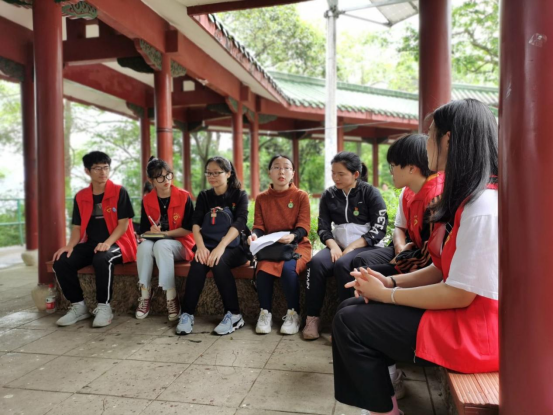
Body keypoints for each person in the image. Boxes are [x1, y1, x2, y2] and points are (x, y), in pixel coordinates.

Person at [332, 99, 499, 415]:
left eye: (431, 134)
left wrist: (388, 295)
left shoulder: (483, 208)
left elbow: (460, 294)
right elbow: (439, 268)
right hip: (458, 314)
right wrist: (390, 282)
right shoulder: (467, 197)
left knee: (350, 322)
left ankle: (383, 410)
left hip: (472, 333)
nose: (426, 144)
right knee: (350, 308)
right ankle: (386, 401)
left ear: (448, 139)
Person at [302, 151, 388, 340]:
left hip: (366, 246)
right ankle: (312, 318)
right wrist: (333, 246)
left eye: (341, 174)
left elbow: (379, 228)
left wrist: (351, 248)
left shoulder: (370, 192)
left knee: (343, 264)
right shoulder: (329, 195)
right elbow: (323, 227)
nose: (336, 178)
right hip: (338, 246)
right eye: (333, 173)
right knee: (315, 264)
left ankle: (346, 321)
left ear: (355, 174)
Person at [52, 151, 137, 328]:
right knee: (62, 261)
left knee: (102, 257)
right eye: (97, 168)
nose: (103, 172)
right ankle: (78, 306)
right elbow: (77, 227)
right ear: (87, 171)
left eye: (106, 168)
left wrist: (107, 243)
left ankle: (104, 307)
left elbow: (123, 225)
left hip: (119, 243)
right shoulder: (81, 196)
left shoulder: (119, 192)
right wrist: (69, 246)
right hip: (91, 243)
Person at [353, 134, 444, 277]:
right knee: (360, 262)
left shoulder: (435, 200)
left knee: (363, 274)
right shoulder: (409, 191)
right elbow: (400, 228)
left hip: (428, 266)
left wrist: (400, 259)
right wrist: (401, 251)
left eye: (393, 166)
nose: (391, 172)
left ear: (411, 168)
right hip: (412, 250)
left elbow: (430, 257)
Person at [176, 156, 249, 336]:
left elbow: (240, 222)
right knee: (198, 262)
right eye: (209, 173)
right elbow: (196, 223)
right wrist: (200, 247)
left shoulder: (239, 195)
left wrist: (221, 246)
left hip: (234, 246)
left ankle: (234, 314)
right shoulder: (204, 196)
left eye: (217, 172)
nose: (212, 176)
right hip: (208, 244)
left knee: (218, 261)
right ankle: (187, 313)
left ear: (228, 173)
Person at [248, 155, 312, 335]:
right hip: (272, 247)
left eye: (286, 167)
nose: (281, 171)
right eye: (276, 167)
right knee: (263, 270)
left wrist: (293, 236)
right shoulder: (262, 198)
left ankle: (293, 313)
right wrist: (254, 236)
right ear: (269, 173)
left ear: (293, 173)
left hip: (298, 245)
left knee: (288, 269)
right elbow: (259, 226)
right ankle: (265, 312)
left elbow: (304, 226)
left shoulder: (301, 196)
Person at [135, 157, 195, 321]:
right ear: (151, 180)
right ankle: (145, 295)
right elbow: (143, 230)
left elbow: (189, 228)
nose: (166, 180)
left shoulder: (184, 196)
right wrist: (151, 231)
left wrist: (165, 234)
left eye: (168, 175)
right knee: (143, 247)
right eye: (160, 177)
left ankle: (171, 296)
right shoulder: (147, 200)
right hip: (157, 244)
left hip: (182, 244)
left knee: (161, 245)